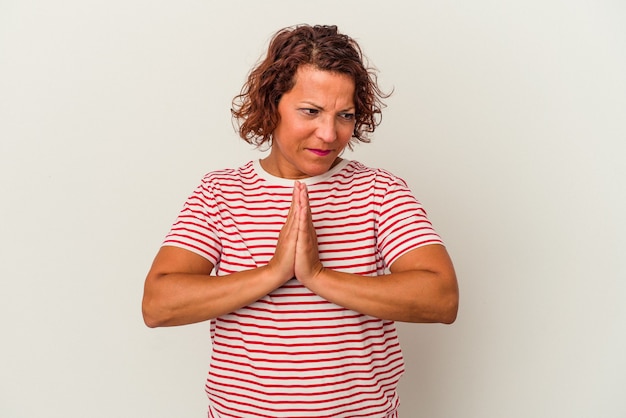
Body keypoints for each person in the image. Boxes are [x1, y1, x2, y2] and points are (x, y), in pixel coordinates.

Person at [142, 24, 459, 418]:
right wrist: (274, 272)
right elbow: (158, 305)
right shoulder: (219, 193)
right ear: (271, 104)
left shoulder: (381, 191)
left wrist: (318, 276)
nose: (329, 133)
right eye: (311, 111)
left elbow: (441, 298)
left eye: (345, 115)